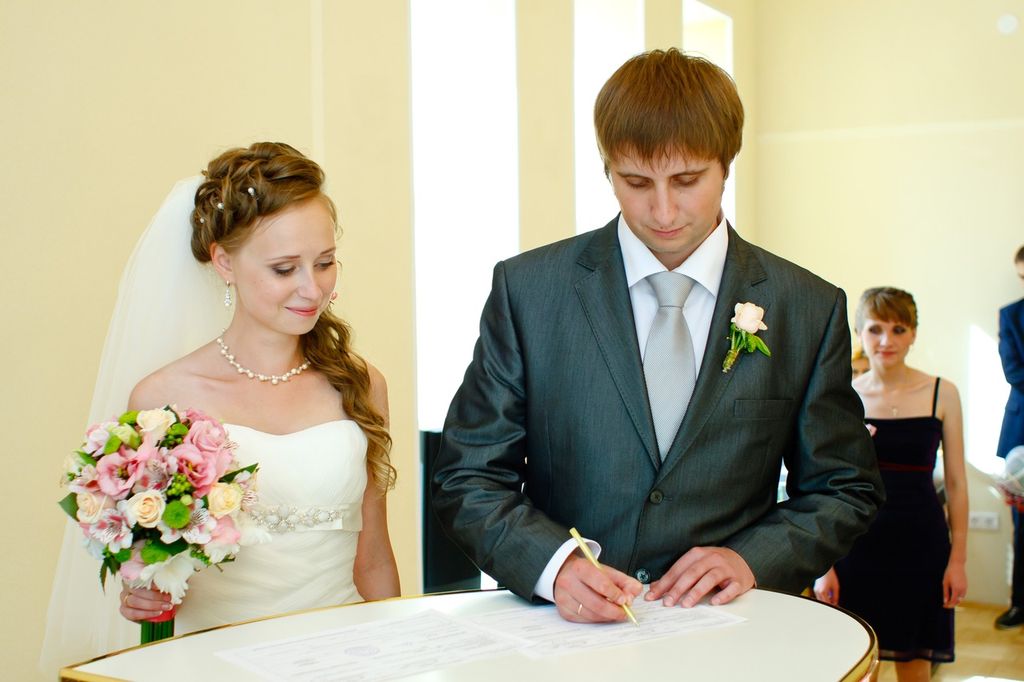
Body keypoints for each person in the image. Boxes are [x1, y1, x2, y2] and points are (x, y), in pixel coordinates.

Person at [432, 48, 883, 625]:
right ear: (606, 169)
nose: (663, 211)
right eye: (636, 181)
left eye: (687, 180)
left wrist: (752, 559)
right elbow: (467, 476)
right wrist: (552, 565)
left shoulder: (807, 307)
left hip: (734, 633)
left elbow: (845, 488)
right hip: (564, 633)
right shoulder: (529, 292)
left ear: (726, 164)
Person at [41, 142, 399, 670]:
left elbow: (374, 557)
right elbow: (151, 561)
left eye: (324, 263)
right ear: (224, 261)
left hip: (343, 659)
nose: (312, 288)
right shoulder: (163, 399)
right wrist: (143, 591)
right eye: (284, 269)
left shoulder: (361, 384)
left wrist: (396, 657)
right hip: (215, 664)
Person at [814, 287, 968, 682]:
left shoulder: (942, 393)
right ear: (859, 333)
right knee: (857, 663)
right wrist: (824, 566)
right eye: (875, 329)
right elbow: (825, 485)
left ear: (913, 333)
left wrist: (958, 561)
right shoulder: (844, 397)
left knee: (916, 665)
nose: (886, 341)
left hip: (922, 545)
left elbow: (956, 482)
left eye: (898, 329)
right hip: (857, 547)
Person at [995, 245, 1024, 630]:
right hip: (1022, 433)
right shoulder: (1010, 315)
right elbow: (1013, 372)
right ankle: (1020, 603)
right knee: (1022, 528)